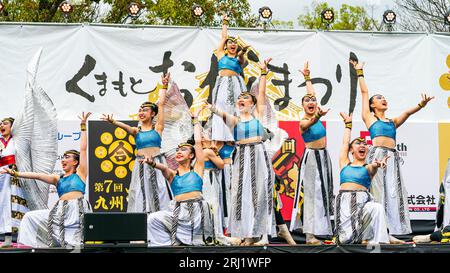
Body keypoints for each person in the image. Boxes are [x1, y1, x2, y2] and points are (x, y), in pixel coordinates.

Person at [351, 60, 434, 240]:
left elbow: (408, 112)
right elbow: (365, 92)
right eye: (379, 98)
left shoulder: (392, 122)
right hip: (377, 157)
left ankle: (388, 233)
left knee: (394, 195)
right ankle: (373, 233)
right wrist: (360, 72)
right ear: (373, 105)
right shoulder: (370, 119)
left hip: (392, 159)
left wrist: (421, 104)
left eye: (384, 98)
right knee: (377, 194)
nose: (383, 99)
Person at [208, 58, 275, 246]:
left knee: (260, 192)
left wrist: (263, 73)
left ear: (252, 103)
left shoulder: (257, 116)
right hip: (242, 157)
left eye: (245, 98)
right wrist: (211, 108)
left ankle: (261, 235)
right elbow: (221, 114)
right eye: (239, 98)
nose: (241, 100)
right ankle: (244, 234)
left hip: (259, 155)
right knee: (241, 194)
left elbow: (261, 93)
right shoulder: (235, 120)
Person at [3, 112, 92, 248]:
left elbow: (83, 149)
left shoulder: (81, 173)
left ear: (75, 162)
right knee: (29, 217)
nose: (63, 160)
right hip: (60, 211)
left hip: (76, 209)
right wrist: (15, 173)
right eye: (63, 157)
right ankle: (28, 247)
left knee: (75, 242)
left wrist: (83, 126)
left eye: (67, 157)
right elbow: (36, 175)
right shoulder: (57, 178)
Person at [102, 73, 172, 213]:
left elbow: (162, 104)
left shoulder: (158, 129)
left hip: (157, 162)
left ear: (153, 114)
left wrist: (164, 86)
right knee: (141, 192)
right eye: (140, 110)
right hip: (141, 164)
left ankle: (162, 220)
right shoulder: (136, 131)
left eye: (145, 110)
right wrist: (113, 122)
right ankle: (142, 223)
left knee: (161, 190)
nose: (141, 112)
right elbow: (126, 128)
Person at [144, 108, 214, 246]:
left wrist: (195, 122)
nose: (179, 152)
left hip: (197, 211)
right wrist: (152, 163)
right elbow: (162, 167)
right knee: (152, 219)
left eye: (183, 150)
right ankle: (163, 246)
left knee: (199, 243)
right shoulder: (172, 174)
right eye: (177, 151)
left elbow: (198, 143)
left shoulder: (197, 170)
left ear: (191, 155)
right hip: (178, 212)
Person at [290, 62, 334, 244]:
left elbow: (312, 93)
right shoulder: (304, 121)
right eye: (306, 100)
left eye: (313, 100)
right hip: (311, 159)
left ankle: (321, 231)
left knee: (323, 193)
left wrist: (307, 77)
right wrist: (317, 116)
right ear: (302, 106)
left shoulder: (316, 112)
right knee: (310, 195)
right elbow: (308, 123)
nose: (311, 101)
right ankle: (309, 235)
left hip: (324, 157)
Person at [335, 112, 390, 244]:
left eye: (365, 144)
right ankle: (360, 237)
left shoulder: (368, 167)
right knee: (345, 240)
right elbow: (344, 143)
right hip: (345, 204)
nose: (362, 145)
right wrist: (348, 125)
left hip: (363, 202)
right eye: (358, 143)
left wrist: (378, 164)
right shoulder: (344, 163)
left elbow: (374, 166)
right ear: (351, 150)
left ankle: (379, 242)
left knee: (376, 208)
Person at [210, 13, 249, 142]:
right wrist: (225, 23)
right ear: (226, 46)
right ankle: (219, 138)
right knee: (220, 107)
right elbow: (224, 37)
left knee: (237, 108)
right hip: (223, 83)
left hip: (236, 83)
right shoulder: (221, 55)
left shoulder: (239, 59)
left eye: (235, 43)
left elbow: (241, 58)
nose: (233, 44)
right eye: (230, 43)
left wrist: (242, 52)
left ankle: (237, 136)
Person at [0, 118, 28, 246]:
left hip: (13, 176)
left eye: (5, 123)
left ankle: (12, 236)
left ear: (12, 127)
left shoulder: (17, 142)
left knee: (11, 205)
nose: (1, 125)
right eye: (0, 123)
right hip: (0, 175)